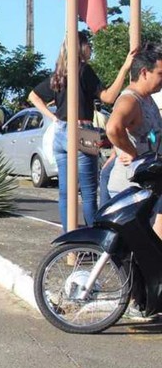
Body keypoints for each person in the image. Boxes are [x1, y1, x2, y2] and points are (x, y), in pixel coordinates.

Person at [29, 33, 134, 231]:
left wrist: (53, 118)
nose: (91, 49)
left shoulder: (59, 72)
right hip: (82, 130)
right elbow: (109, 97)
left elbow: (33, 96)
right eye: (89, 45)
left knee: (65, 192)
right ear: (82, 47)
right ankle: (92, 244)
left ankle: (69, 244)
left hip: (60, 132)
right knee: (87, 192)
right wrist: (125, 67)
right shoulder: (84, 70)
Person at [105, 46, 162, 240]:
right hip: (131, 187)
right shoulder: (130, 99)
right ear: (144, 72)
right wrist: (131, 153)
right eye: (160, 73)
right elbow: (113, 128)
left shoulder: (147, 98)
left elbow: (150, 135)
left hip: (147, 186)